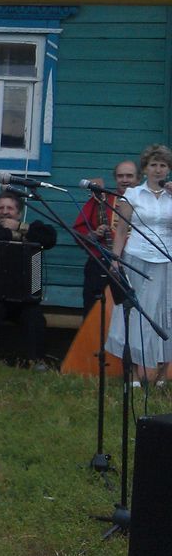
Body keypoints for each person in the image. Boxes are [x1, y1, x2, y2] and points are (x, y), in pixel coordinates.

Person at [104, 144, 172, 385]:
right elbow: (122, 230)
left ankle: (163, 373)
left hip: (166, 260)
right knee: (137, 313)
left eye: (162, 165)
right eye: (153, 165)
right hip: (137, 259)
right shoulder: (133, 195)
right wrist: (115, 259)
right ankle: (134, 372)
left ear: (168, 169)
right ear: (145, 169)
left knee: (165, 314)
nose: (158, 169)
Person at [0, 191, 56, 367]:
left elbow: (50, 238)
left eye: (10, 208)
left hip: (24, 297)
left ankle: (37, 360)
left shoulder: (33, 228)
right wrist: (15, 234)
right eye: (1, 208)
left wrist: (20, 228)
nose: (5, 212)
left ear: (18, 213)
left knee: (34, 316)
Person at [73, 160, 138, 314]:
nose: (125, 180)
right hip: (103, 263)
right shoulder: (102, 200)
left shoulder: (146, 202)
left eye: (129, 176)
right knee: (95, 312)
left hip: (136, 264)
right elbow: (79, 232)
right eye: (120, 176)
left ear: (138, 178)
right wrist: (94, 235)